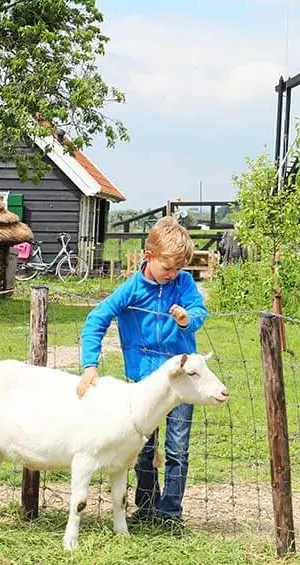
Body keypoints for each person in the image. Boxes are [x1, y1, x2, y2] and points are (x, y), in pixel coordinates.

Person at [77, 216, 207, 532]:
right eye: (167, 268)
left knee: (178, 447)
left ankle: (171, 513)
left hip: (180, 382)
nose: (172, 274)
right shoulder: (130, 291)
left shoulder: (184, 285)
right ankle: (146, 506)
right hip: (144, 382)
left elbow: (201, 312)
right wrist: (89, 365)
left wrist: (187, 318)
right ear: (148, 256)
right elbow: (96, 320)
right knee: (144, 447)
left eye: (178, 269)